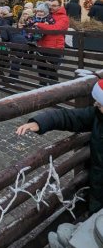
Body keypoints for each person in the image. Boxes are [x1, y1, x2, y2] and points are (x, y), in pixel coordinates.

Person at [16, 79, 103, 214]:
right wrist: (41, 122)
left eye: (101, 104)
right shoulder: (97, 116)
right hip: (98, 192)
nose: (96, 104)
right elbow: (70, 117)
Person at [35, 0, 69, 86]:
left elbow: (56, 28)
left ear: (60, 6)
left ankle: (53, 90)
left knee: (51, 71)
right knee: (41, 68)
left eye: (54, 5)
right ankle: (42, 87)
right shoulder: (48, 14)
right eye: (51, 5)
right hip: (42, 45)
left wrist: (39, 24)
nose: (52, 7)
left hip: (54, 47)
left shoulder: (64, 18)